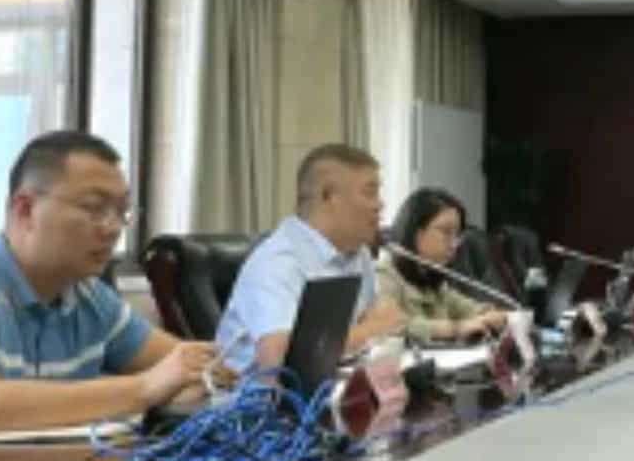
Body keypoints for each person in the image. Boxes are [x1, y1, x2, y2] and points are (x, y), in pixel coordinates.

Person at [0, 132, 214, 441]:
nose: (113, 228)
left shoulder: (90, 297)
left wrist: (201, 374)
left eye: (122, 212)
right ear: (25, 209)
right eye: (95, 208)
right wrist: (144, 388)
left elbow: (187, 367)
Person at [217, 144, 404, 375]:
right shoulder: (278, 261)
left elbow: (373, 326)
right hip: (263, 395)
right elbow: (280, 363)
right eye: (369, 193)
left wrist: (378, 328)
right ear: (328, 196)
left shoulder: (357, 254)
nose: (379, 204)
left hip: (336, 385)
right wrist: (370, 331)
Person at [377, 188, 509, 344]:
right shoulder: (384, 274)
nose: (454, 244)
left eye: (457, 235)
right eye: (446, 232)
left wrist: (491, 315)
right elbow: (389, 325)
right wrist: (455, 329)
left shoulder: (433, 279)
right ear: (416, 232)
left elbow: (466, 308)